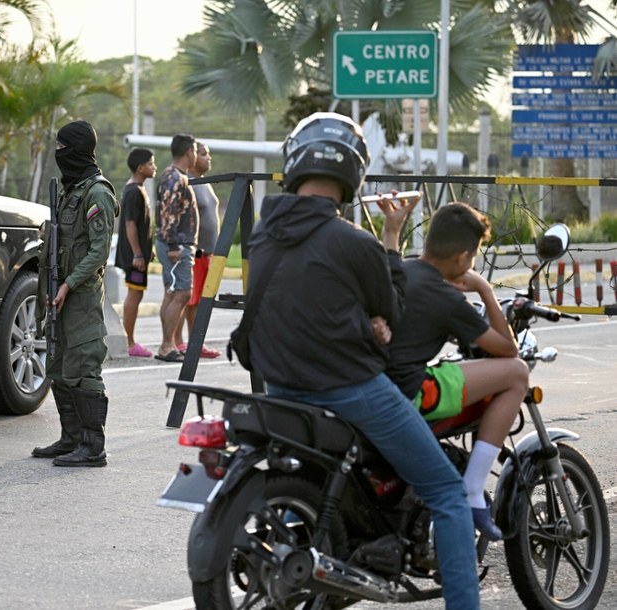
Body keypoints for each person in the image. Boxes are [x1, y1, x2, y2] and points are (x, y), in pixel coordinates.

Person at [246, 112, 480, 609]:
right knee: (448, 495)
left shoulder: (263, 236)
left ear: (293, 164)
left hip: (279, 388)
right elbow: (390, 314)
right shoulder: (355, 242)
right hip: (347, 390)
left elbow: (309, 302)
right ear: (352, 174)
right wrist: (391, 243)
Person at [383, 201, 528, 541]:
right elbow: (508, 351)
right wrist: (486, 290)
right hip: (413, 393)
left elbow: (390, 253)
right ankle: (474, 489)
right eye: (473, 257)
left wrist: (392, 231)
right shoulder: (447, 300)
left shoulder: (399, 269)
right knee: (517, 374)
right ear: (462, 258)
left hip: (375, 387)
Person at [33, 119, 118, 468]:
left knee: (83, 366)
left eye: (63, 146)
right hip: (59, 291)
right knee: (57, 364)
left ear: (78, 149)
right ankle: (71, 438)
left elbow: (99, 252)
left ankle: (92, 445)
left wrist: (69, 284)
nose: (59, 153)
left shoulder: (97, 192)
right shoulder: (72, 190)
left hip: (80, 294)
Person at [174, 141, 221, 358]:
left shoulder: (206, 183)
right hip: (194, 252)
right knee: (186, 299)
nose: (207, 158)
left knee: (200, 302)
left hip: (208, 254)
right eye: (203, 154)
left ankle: (196, 343)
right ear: (191, 157)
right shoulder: (187, 183)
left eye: (208, 154)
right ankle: (179, 342)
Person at [153, 133, 198, 363]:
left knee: (172, 293)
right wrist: (172, 245)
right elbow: (168, 213)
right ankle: (166, 345)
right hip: (176, 244)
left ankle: (167, 344)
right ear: (189, 151)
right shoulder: (174, 178)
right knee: (181, 293)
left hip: (176, 242)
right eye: (196, 151)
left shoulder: (176, 176)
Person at [114, 147, 157, 357]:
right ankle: (129, 342)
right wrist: (138, 254)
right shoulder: (133, 191)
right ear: (140, 168)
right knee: (135, 293)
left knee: (137, 293)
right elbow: (130, 225)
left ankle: (130, 340)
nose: (154, 167)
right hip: (134, 258)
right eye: (151, 163)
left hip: (139, 255)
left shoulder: (138, 188)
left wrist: (149, 249)